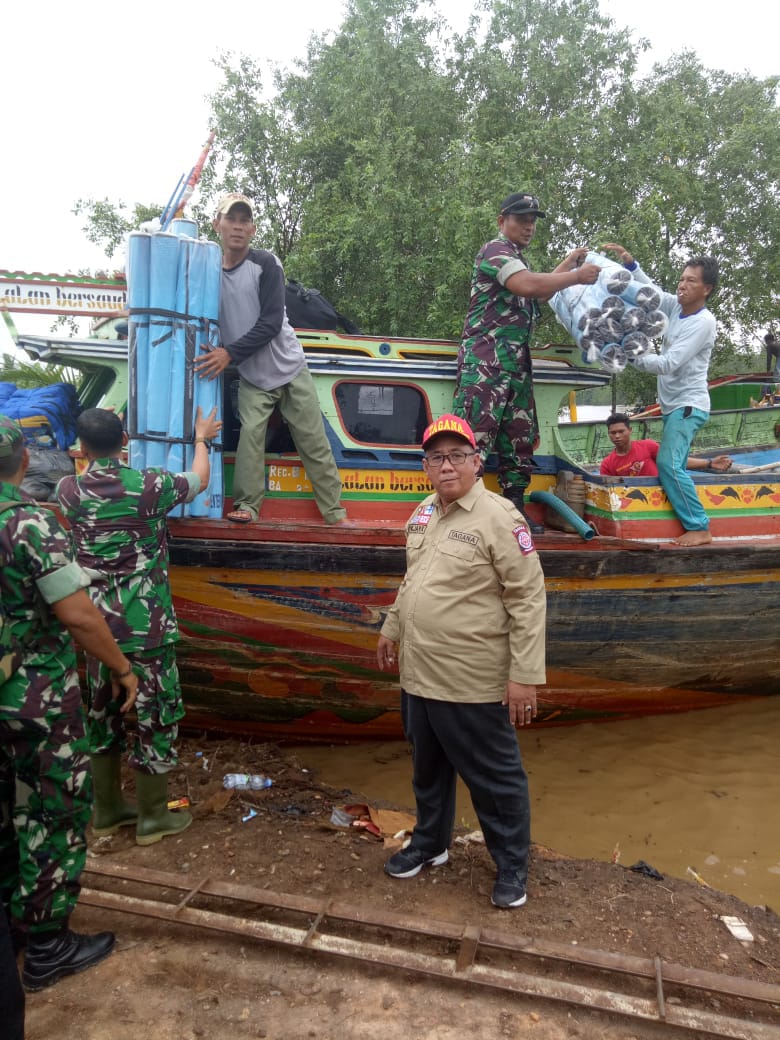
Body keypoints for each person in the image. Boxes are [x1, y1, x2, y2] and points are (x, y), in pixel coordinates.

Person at [376, 413, 546, 909]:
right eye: (435, 457)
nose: (445, 465)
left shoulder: (501, 518)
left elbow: (528, 598)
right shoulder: (424, 512)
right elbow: (414, 580)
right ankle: (431, 844)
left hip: (471, 678)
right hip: (419, 672)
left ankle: (512, 865)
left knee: (494, 779)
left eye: (456, 456)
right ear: (425, 466)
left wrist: (524, 677)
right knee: (427, 770)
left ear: (476, 462)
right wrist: (391, 628)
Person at [0, 415, 139, 992]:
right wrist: (123, 669)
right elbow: (78, 613)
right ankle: (49, 945)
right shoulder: (28, 522)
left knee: (6, 812)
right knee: (52, 810)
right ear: (24, 460)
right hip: (37, 701)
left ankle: (13, 926)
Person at [56, 405, 221, 847]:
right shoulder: (148, 486)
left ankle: (107, 811)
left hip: (97, 631)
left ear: (83, 448)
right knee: (156, 715)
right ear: (126, 440)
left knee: (101, 713)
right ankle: (152, 817)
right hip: (146, 627)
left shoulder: (67, 490)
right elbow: (199, 479)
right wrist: (201, 437)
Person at [194, 193, 349, 526]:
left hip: (290, 367)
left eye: (244, 221)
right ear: (216, 225)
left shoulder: (265, 263)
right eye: (230, 219)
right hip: (253, 374)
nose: (237, 227)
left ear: (252, 229)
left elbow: (270, 322)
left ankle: (335, 514)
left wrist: (229, 353)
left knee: (313, 441)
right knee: (251, 436)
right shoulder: (207, 272)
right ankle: (248, 507)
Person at [453, 191, 601, 532]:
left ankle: (513, 511)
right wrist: (577, 276)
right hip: (486, 362)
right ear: (502, 221)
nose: (529, 226)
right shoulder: (496, 251)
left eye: (533, 220)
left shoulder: (518, 258)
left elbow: (540, 287)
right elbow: (527, 285)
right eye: (522, 219)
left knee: (518, 437)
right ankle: (463, 512)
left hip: (516, 362)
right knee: (474, 437)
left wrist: (568, 263)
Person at [602, 244, 720, 546]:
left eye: (691, 281)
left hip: (688, 405)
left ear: (706, 288)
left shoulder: (702, 323)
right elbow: (651, 294)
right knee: (671, 462)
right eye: (682, 279)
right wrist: (631, 266)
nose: (682, 285)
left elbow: (668, 363)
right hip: (674, 406)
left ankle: (700, 527)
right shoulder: (675, 307)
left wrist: (631, 355)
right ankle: (679, 519)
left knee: (669, 464)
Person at [600, 413, 732, 478]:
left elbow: (674, 461)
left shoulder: (648, 446)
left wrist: (709, 463)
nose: (617, 436)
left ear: (630, 431)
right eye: (613, 433)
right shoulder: (607, 464)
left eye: (621, 431)